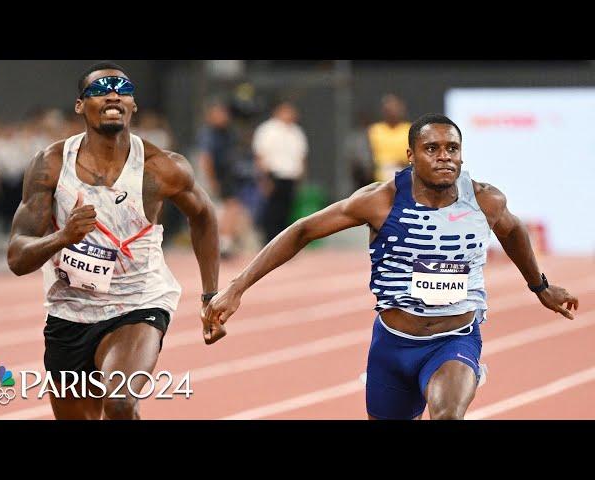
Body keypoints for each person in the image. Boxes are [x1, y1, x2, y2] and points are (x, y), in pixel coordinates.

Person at [204, 113, 579, 420]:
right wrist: (237, 287)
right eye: (432, 148)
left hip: (455, 338)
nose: (444, 156)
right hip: (393, 344)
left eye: (452, 148)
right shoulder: (379, 201)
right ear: (411, 156)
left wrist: (541, 286)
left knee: (448, 414)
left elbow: (513, 232)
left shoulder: (485, 201)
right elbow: (302, 231)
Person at [7, 62, 224, 420]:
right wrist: (63, 236)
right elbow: (17, 257)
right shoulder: (50, 165)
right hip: (69, 309)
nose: (112, 95)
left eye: (122, 89)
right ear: (80, 106)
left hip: (138, 301)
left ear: (133, 105)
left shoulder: (161, 167)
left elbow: (203, 215)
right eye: (100, 89)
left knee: (121, 403)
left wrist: (210, 295)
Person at [197, 99, 251, 258]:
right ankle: (223, 243)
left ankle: (223, 242)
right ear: (211, 115)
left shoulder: (228, 132)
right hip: (217, 176)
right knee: (229, 208)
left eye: (225, 113)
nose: (224, 116)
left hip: (229, 176)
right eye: (219, 113)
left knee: (230, 208)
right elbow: (205, 158)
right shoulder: (208, 134)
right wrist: (211, 180)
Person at [252, 101, 308, 244]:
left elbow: (302, 156)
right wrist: (264, 179)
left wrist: (301, 177)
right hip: (273, 175)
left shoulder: (297, 132)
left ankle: (283, 243)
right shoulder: (267, 130)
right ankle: (268, 242)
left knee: (286, 211)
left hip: (290, 176)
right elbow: (260, 155)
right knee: (272, 211)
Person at [368, 94, 411, 183]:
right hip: (380, 178)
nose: (392, 112)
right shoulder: (375, 130)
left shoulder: (409, 129)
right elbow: (369, 155)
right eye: (388, 109)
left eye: (395, 109)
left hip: (404, 174)